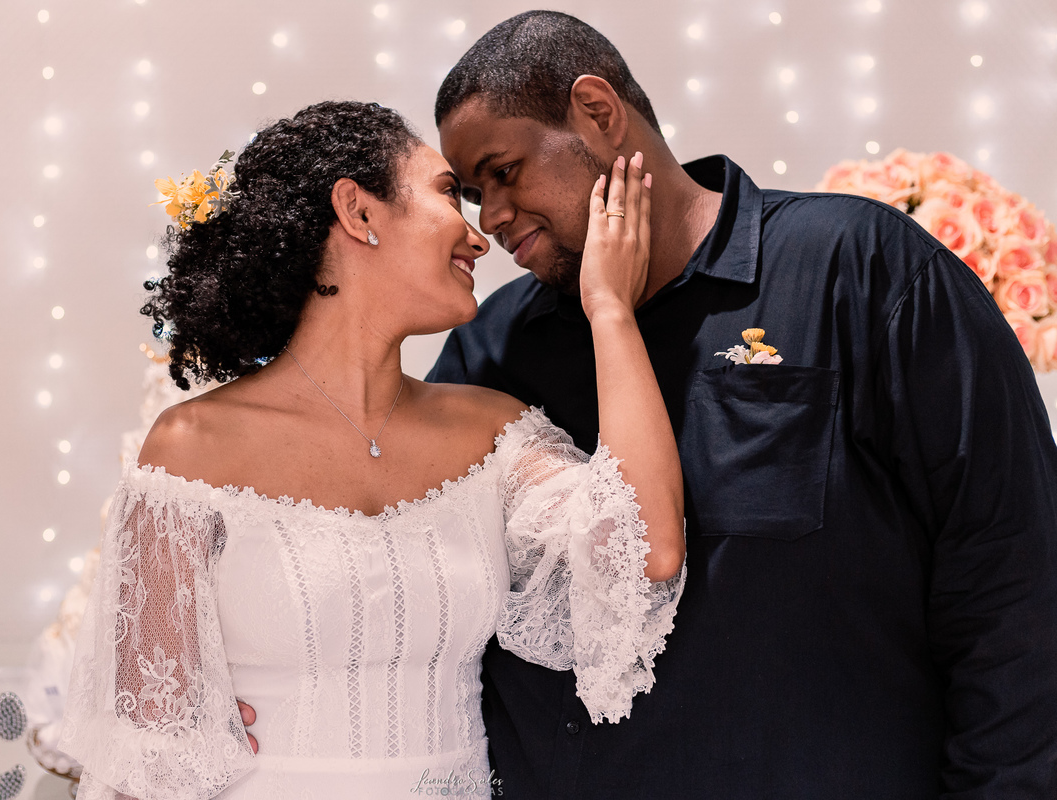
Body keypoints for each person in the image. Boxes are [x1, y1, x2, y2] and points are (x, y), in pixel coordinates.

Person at [426, 10, 1057, 799]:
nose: (491, 218)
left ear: (596, 111)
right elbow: (424, 577)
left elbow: (1014, 582)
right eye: (475, 193)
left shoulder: (860, 270)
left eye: (505, 171)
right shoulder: (497, 348)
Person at [59, 100, 687, 799]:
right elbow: (146, 762)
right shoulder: (191, 451)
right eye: (450, 193)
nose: (480, 239)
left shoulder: (496, 434)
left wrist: (609, 309)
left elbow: (645, 551)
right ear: (358, 212)